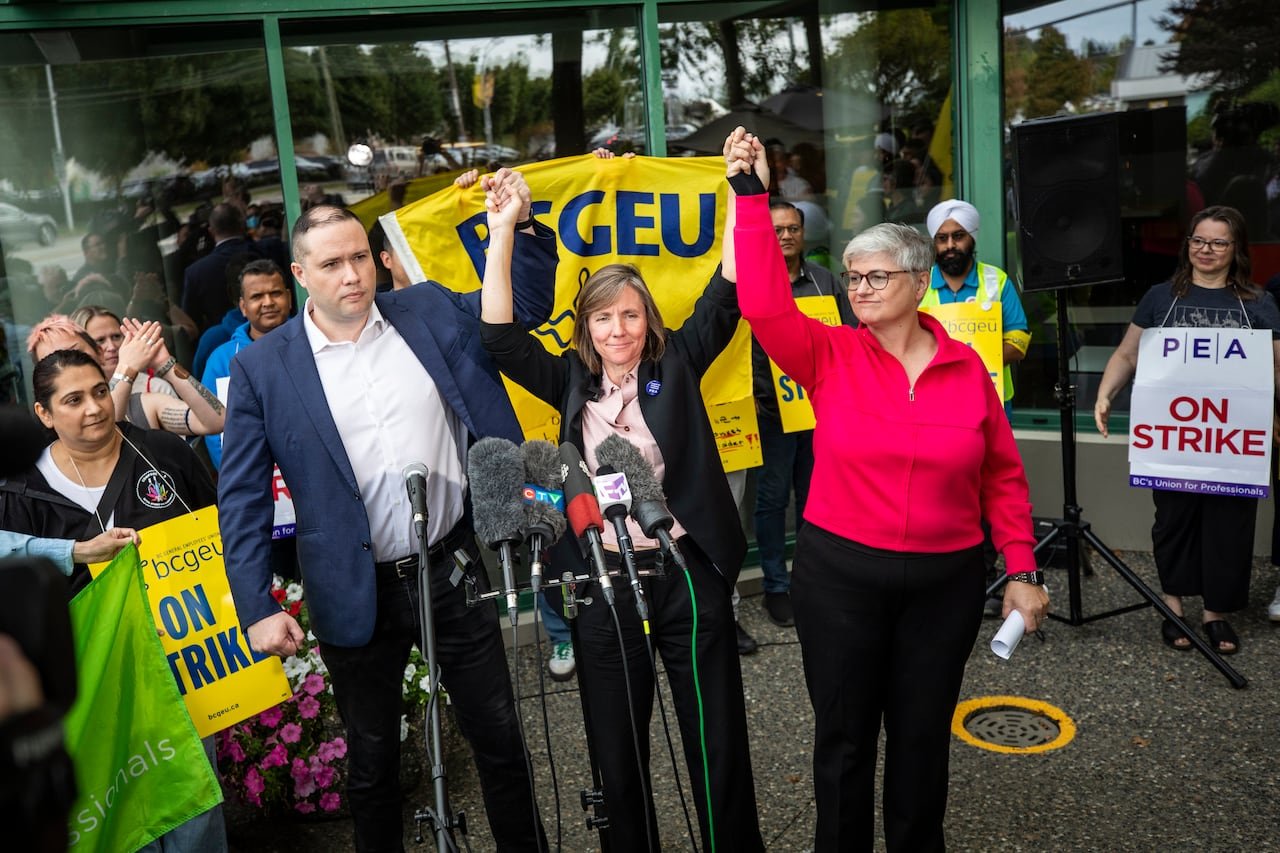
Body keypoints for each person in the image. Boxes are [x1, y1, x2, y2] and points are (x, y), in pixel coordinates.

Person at [218, 175, 556, 852]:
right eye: (333, 264)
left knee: (499, 737)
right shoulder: (263, 368)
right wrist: (255, 604)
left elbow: (521, 308)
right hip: (354, 584)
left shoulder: (426, 309)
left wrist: (514, 227)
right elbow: (245, 495)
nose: (353, 275)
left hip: (454, 570)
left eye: (361, 257)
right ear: (299, 275)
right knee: (372, 763)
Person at [732, 128, 1047, 853]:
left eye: (876, 276)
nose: (860, 288)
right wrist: (751, 197)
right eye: (852, 276)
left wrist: (1022, 568)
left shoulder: (968, 369)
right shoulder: (830, 352)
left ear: (918, 281)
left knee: (920, 737)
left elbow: (1001, 474)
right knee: (843, 740)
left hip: (946, 582)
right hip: (841, 576)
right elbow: (763, 303)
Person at [479, 131, 764, 853]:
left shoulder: (682, 359)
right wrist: (504, 229)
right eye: (603, 317)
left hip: (685, 570)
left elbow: (728, 290)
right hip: (603, 579)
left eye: (630, 314)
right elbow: (501, 338)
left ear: (650, 321)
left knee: (716, 741)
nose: (618, 329)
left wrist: (746, 188)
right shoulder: (569, 381)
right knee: (616, 753)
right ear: (586, 328)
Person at [0, 348, 226, 851]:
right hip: (92, 683)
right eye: (73, 399)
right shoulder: (19, 492)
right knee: (118, 817)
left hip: (182, 669)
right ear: (43, 413)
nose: (94, 408)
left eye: (100, 391)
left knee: (195, 810)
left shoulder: (162, 455)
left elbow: (219, 539)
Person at [1094, 205, 1280, 655]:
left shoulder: (1257, 302)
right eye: (1199, 240)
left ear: (1236, 249)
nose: (1207, 250)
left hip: (1234, 442)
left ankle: (1216, 614)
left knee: (1229, 525)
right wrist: (1105, 393)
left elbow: (1275, 367)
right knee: (1173, 519)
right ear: (1188, 244)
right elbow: (1127, 354)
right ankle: (1173, 606)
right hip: (1175, 438)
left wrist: (1274, 413)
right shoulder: (1161, 297)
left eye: (1218, 242)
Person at [752, 200, 856, 628]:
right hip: (771, 413)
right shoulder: (756, 282)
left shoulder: (825, 282)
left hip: (819, 409)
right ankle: (776, 586)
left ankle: (815, 581)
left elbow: (849, 337)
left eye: (793, 228)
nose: (786, 236)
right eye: (777, 230)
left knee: (818, 498)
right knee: (773, 501)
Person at [27, 316, 225, 438]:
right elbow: (106, 431)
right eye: (49, 362)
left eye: (72, 353)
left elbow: (217, 420)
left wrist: (166, 365)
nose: (64, 366)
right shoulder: (49, 436)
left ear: (99, 352)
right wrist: (127, 369)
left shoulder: (143, 405)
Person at [922, 198, 1030, 415]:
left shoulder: (996, 280)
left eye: (958, 236)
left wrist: (968, 366)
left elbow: (1019, 341)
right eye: (942, 238)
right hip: (934, 400)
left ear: (972, 237)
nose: (950, 245)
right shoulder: (918, 285)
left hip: (991, 400)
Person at [200, 259, 292, 469]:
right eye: (257, 296)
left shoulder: (313, 343)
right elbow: (216, 433)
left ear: (289, 297)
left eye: (275, 293)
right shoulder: (221, 360)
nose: (268, 302)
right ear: (243, 306)